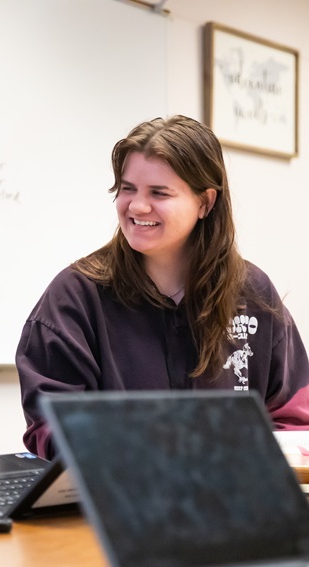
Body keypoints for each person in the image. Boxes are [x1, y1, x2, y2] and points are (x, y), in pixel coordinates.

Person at [16, 115, 309, 460]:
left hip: (233, 503)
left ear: (205, 203)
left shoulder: (251, 292)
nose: (137, 206)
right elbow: (50, 426)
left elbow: (293, 418)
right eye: (127, 189)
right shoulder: (76, 296)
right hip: (118, 503)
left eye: (159, 193)